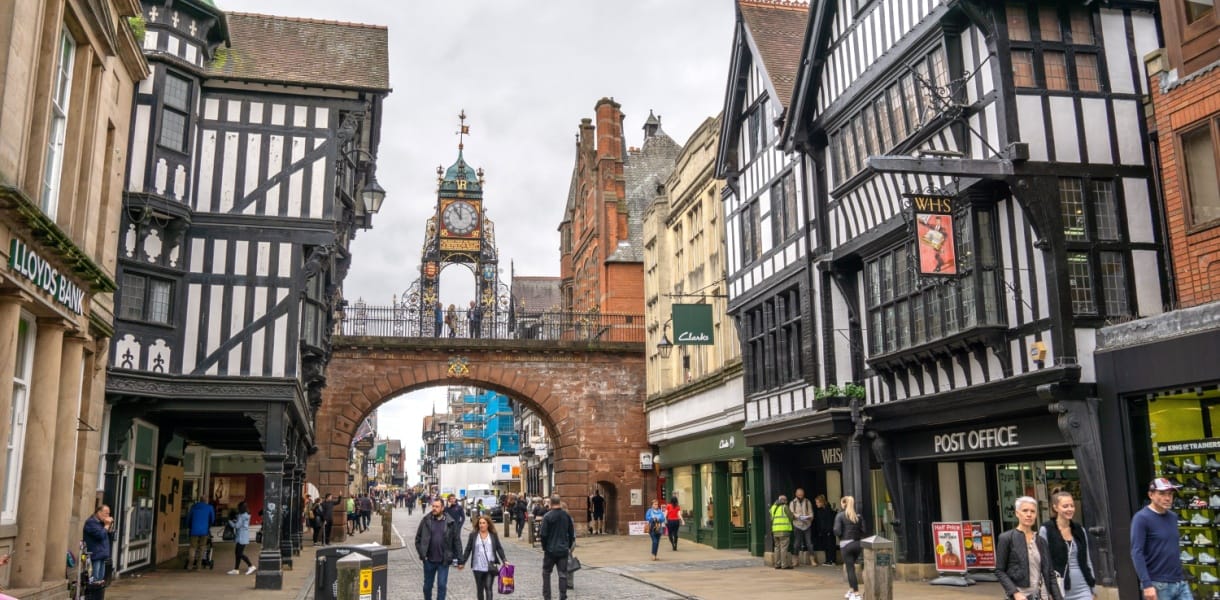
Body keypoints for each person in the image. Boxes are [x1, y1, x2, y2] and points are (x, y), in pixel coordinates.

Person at [1131, 478, 1189, 600]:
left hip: (1179, 581)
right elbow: (1137, 552)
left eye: (1170, 494)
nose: (1167, 498)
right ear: (1150, 495)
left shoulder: (1172, 517)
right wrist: (1147, 585)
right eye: (1162, 494)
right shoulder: (1141, 518)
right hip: (1158, 584)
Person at [997, 496, 1064, 600]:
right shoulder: (1006, 538)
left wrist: (1058, 597)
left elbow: (1050, 574)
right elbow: (1000, 571)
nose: (1029, 514)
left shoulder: (1041, 541)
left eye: (1032, 511)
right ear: (1017, 513)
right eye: (1025, 511)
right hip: (1019, 596)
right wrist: (1015, 593)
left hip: (1040, 595)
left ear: (1036, 514)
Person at [1039, 492, 1096, 600]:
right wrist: (1048, 591)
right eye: (1065, 506)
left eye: (1072, 505)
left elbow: (1087, 560)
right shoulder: (1046, 530)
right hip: (1059, 588)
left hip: (1083, 587)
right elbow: (1044, 563)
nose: (1070, 509)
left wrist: (1092, 589)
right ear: (1055, 507)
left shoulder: (1080, 530)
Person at [415, 498, 463, 600]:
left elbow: (456, 541)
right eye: (433, 506)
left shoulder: (450, 522)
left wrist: (460, 559)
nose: (434, 508)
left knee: (442, 586)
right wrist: (422, 554)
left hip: (444, 561)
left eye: (437, 507)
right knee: (427, 587)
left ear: (442, 508)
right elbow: (418, 539)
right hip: (429, 561)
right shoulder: (426, 520)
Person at [459, 515, 508, 600]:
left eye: (484, 523)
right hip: (477, 567)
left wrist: (504, 560)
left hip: (490, 567)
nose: (481, 525)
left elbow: (499, 548)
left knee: (488, 588)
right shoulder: (473, 535)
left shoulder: (493, 535)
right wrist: (463, 561)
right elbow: (468, 549)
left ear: (488, 524)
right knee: (480, 589)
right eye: (480, 523)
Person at [538, 494, 575, 600]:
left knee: (546, 573)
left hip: (550, 550)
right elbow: (571, 533)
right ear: (559, 502)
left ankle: (547, 596)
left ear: (550, 503)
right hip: (563, 549)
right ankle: (563, 596)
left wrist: (545, 547)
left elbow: (543, 534)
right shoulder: (566, 516)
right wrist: (567, 546)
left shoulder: (547, 516)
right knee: (562, 574)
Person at [833, 496, 864, 600]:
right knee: (851, 567)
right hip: (858, 544)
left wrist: (840, 536)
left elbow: (837, 531)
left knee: (850, 569)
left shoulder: (840, 515)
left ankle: (856, 594)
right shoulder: (858, 516)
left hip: (846, 545)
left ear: (843, 504)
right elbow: (864, 530)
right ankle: (851, 590)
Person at [83, 504, 114, 587]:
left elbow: (108, 536)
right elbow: (100, 535)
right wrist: (106, 525)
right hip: (95, 555)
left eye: (109, 513)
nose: (108, 516)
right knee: (95, 580)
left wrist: (109, 526)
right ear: (99, 512)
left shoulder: (101, 523)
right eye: (106, 513)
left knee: (100, 581)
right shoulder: (91, 522)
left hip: (102, 555)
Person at [185, 496, 215, 570]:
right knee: (202, 547)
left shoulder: (194, 507)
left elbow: (189, 518)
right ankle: (199, 565)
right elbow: (212, 519)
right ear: (206, 500)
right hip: (204, 530)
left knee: (192, 547)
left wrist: (189, 526)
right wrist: (208, 526)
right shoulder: (209, 507)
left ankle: (190, 564)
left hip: (194, 530)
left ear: (200, 500)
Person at [228, 501, 257, 575]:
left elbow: (237, 526)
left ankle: (251, 566)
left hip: (241, 537)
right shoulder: (246, 515)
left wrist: (230, 522)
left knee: (239, 553)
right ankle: (236, 569)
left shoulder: (241, 516)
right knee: (237, 553)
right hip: (244, 536)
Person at [790, 488, 814, 565]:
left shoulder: (807, 502)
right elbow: (791, 514)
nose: (800, 495)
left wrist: (808, 517)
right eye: (799, 494)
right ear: (796, 494)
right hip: (797, 525)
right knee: (796, 544)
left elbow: (811, 513)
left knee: (809, 543)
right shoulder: (792, 503)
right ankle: (795, 560)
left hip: (807, 525)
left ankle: (812, 560)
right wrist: (799, 516)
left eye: (802, 494)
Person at [770, 494, 794, 569]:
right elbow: (791, 517)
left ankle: (777, 564)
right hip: (784, 530)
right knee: (783, 548)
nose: (786, 501)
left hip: (775, 531)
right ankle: (784, 564)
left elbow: (771, 518)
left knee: (777, 548)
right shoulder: (785, 507)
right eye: (786, 500)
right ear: (783, 500)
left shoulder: (773, 507)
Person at [814, 494, 837, 566]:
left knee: (831, 545)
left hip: (829, 530)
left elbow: (829, 521)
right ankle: (827, 560)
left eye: (817, 502)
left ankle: (832, 560)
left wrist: (829, 530)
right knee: (826, 545)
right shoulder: (820, 510)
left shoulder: (828, 510)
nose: (816, 504)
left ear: (822, 502)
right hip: (823, 531)